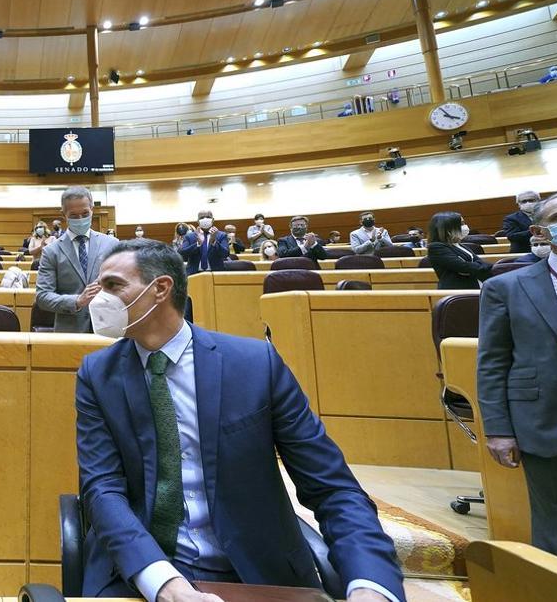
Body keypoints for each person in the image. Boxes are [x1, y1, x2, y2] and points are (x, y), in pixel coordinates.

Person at [75, 239, 403, 601]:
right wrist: (165, 584)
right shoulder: (97, 374)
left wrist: (371, 586)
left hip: (257, 572)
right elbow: (102, 489)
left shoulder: (255, 365)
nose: (97, 299)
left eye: (113, 286)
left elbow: (333, 489)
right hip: (140, 569)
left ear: (160, 289)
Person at [477, 191, 557, 558]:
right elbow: (493, 362)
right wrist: (498, 429)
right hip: (546, 422)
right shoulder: (506, 287)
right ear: (540, 231)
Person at [34, 186, 119, 333]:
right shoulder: (51, 251)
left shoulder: (112, 244)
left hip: (109, 328)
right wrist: (77, 301)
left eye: (85, 213)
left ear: (92, 209)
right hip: (70, 331)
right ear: (63, 214)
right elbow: (43, 296)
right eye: (73, 215)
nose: (80, 219)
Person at [427, 211, 492, 290]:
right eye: (461, 224)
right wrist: (476, 266)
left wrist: (477, 266)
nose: (465, 226)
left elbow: (481, 263)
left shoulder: (460, 245)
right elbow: (464, 267)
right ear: (448, 228)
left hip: (475, 286)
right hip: (458, 290)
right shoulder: (436, 247)